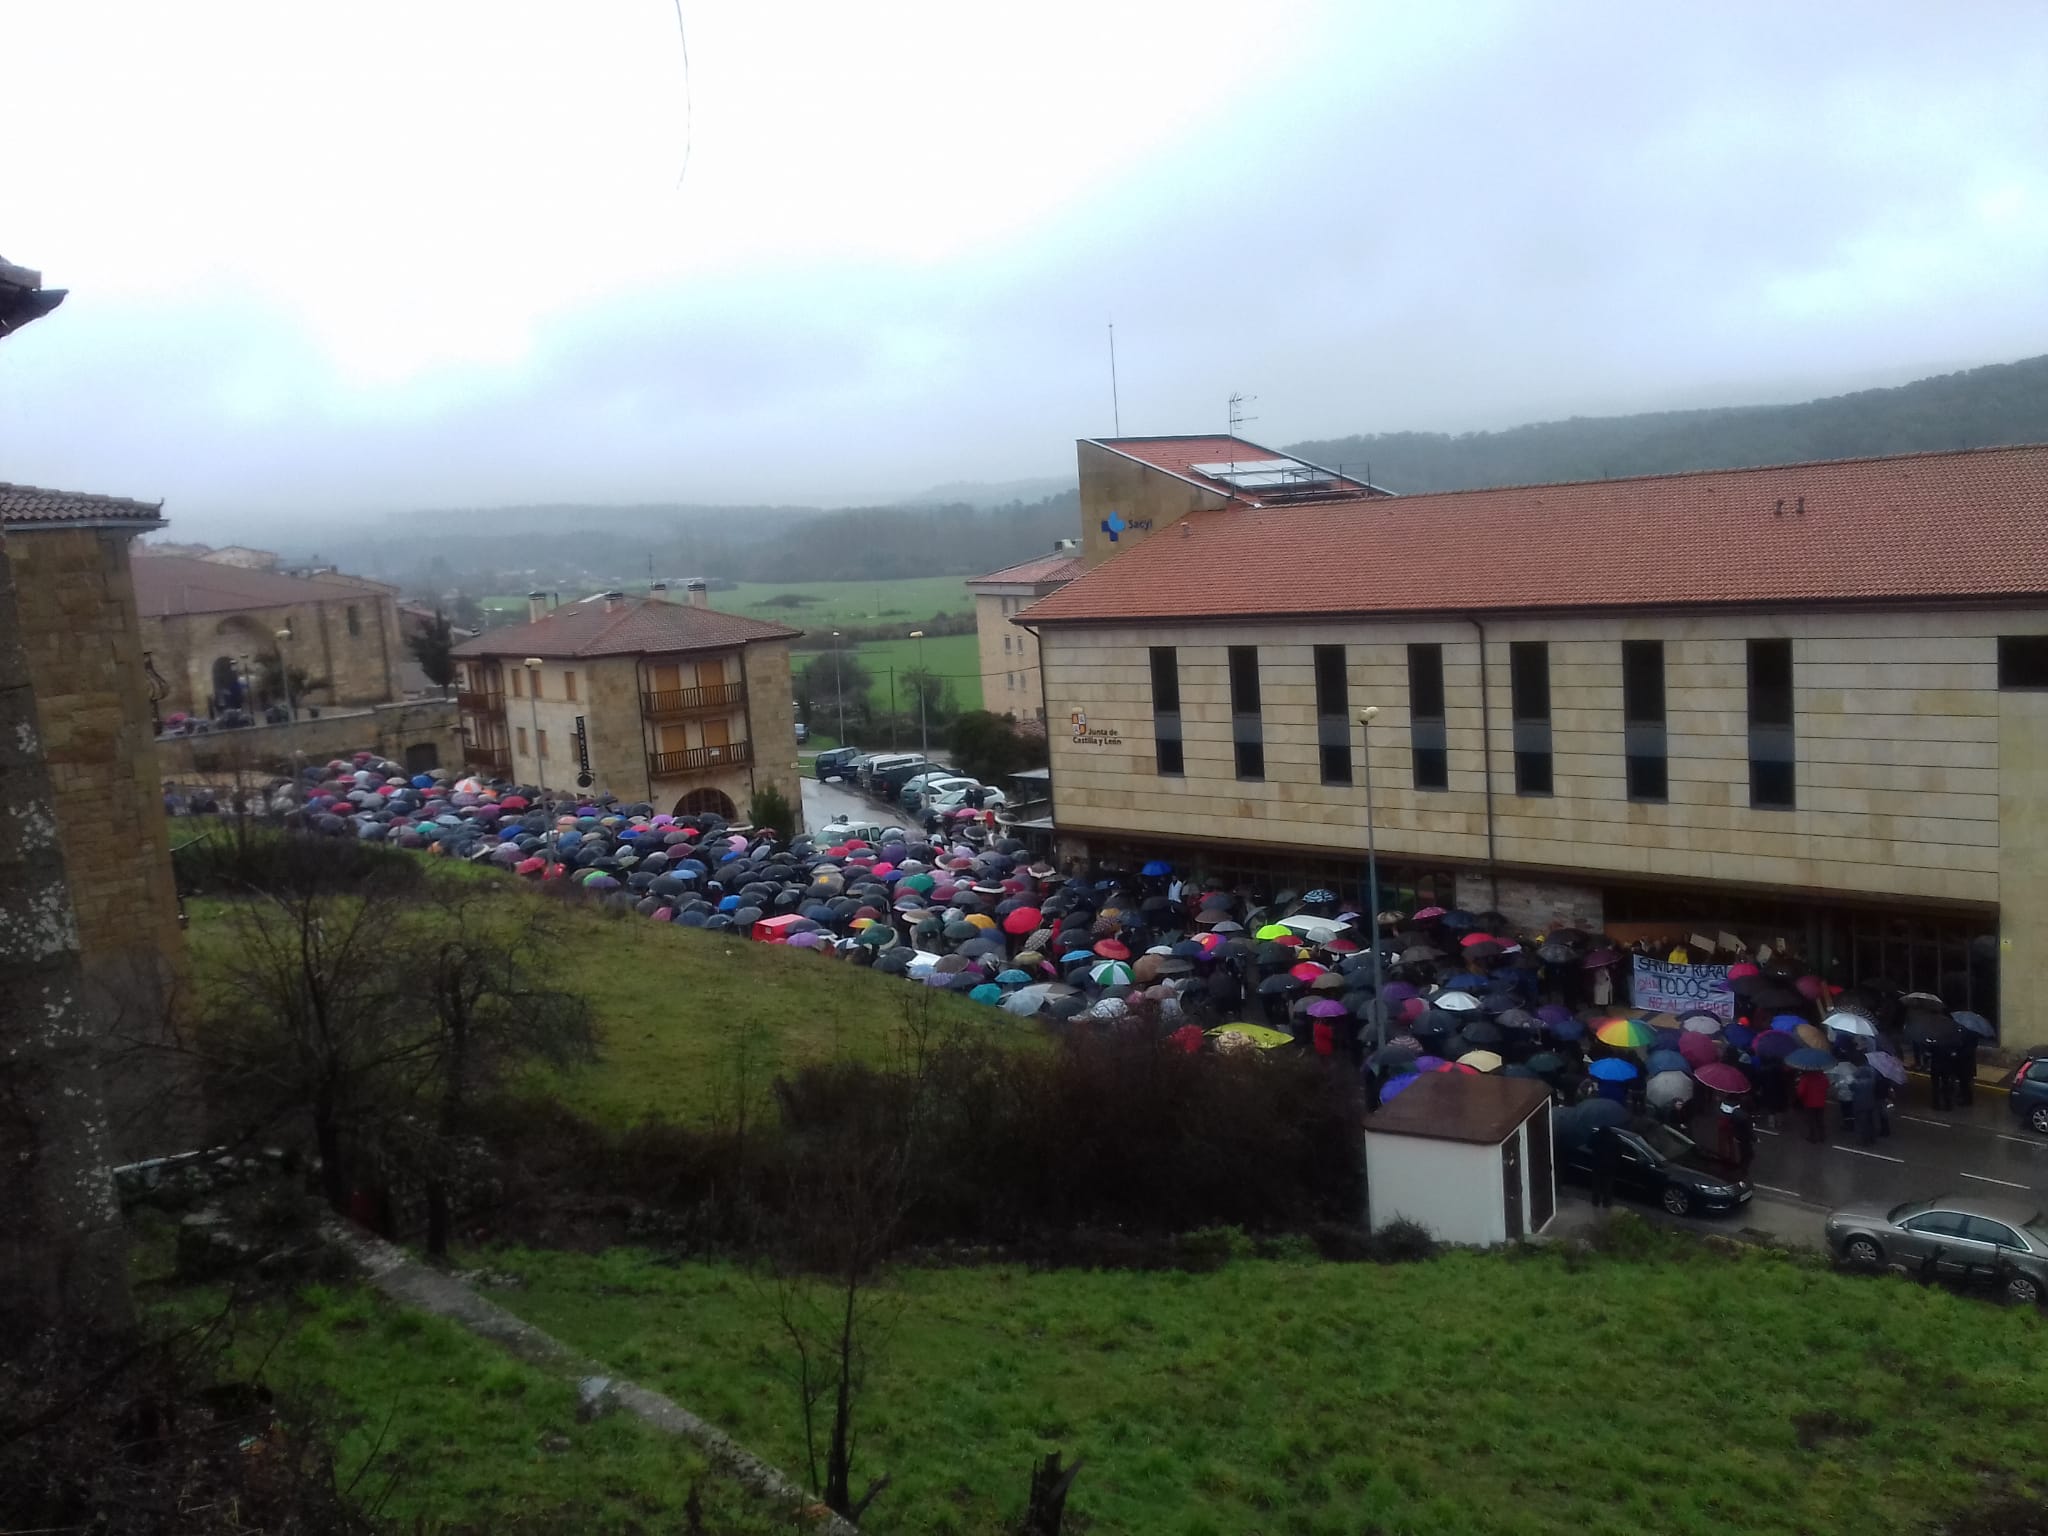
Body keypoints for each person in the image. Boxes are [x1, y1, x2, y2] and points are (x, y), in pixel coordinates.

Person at [1590, 1127, 1621, 1209]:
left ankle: (1595, 1201)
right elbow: (1620, 1152)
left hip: (1598, 1164)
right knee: (1608, 1185)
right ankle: (1606, 1203)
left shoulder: (1597, 1136)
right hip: (1610, 1166)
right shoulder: (1616, 1138)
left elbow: (1589, 1145)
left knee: (1596, 1184)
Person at [1796, 1068, 1830, 1142]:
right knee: (1820, 1120)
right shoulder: (1823, 1077)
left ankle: (1813, 1137)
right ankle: (1822, 1136)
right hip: (1821, 1102)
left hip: (1809, 1102)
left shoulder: (1805, 1078)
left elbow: (1800, 1092)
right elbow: (1827, 1086)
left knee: (1811, 1120)